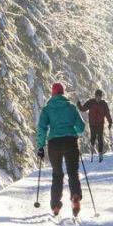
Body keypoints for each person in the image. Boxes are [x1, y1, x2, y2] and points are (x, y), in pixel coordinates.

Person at [37, 82, 86, 217]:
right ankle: (75, 196)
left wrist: (40, 146)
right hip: (70, 141)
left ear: (52, 93)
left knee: (57, 174)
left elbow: (42, 128)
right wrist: (73, 129)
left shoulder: (47, 109)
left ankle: (55, 205)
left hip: (54, 143)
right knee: (73, 172)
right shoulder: (71, 107)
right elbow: (81, 127)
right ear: (63, 93)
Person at [77, 88, 113, 162]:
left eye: (100, 96)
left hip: (100, 124)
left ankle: (100, 154)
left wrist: (110, 122)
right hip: (92, 124)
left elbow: (107, 114)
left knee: (100, 139)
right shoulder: (91, 102)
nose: (98, 98)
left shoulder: (104, 104)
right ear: (95, 96)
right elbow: (83, 109)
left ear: (101, 97)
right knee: (93, 138)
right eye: (97, 96)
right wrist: (79, 105)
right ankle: (92, 151)